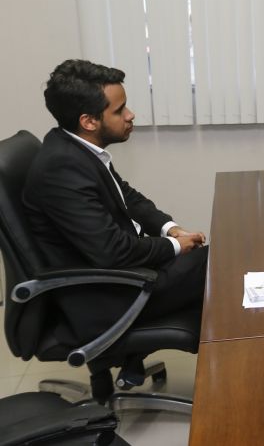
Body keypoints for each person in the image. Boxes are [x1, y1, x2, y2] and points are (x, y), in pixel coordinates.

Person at [23, 60, 208, 344]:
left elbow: (126, 197)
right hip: (110, 296)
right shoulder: (61, 167)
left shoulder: (74, 148)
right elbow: (112, 252)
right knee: (218, 263)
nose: (130, 115)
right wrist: (174, 247)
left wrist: (170, 229)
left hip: (124, 275)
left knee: (210, 261)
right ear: (89, 121)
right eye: (119, 110)